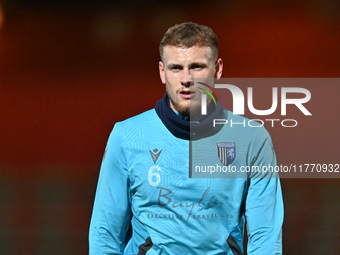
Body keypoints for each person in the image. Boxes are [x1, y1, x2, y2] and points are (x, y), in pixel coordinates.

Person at [89, 22, 283, 254]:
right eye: (176, 68)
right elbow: (105, 233)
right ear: (162, 72)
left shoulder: (252, 139)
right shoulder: (126, 136)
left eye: (197, 66)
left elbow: (266, 239)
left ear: (217, 69)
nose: (186, 78)